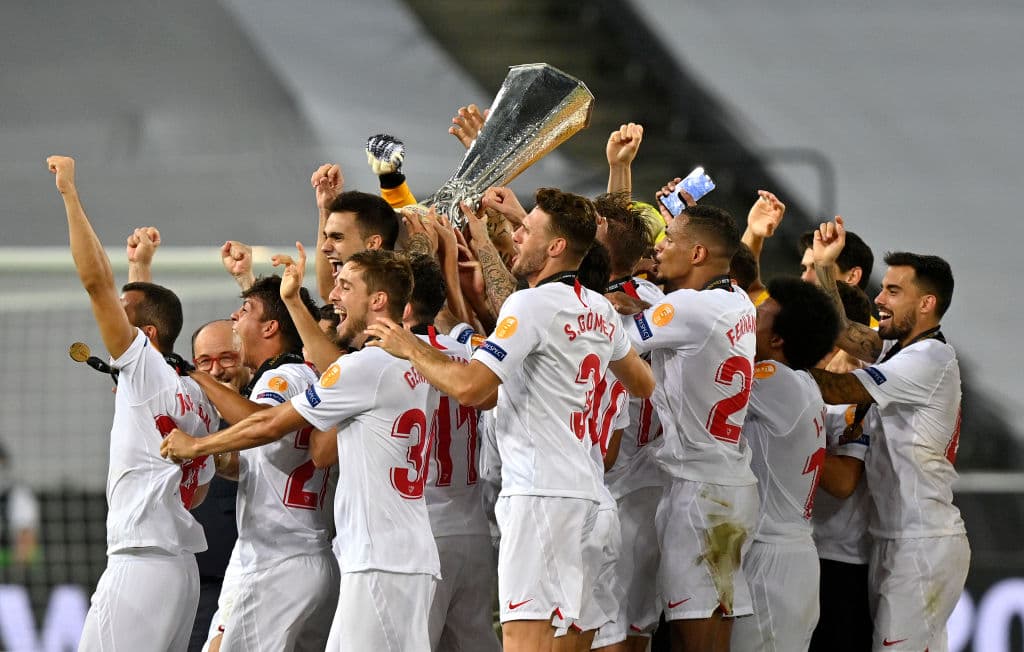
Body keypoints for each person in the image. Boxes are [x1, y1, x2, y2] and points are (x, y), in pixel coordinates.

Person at [366, 190, 655, 652]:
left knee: (524, 642)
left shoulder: (530, 304)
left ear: (556, 247)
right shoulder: (599, 308)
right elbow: (642, 383)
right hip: (593, 500)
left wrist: (411, 347)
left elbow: (471, 389)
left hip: (541, 498)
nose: (517, 236)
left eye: (527, 230)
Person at [161, 250, 440, 652]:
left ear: (378, 300)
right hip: (389, 552)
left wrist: (197, 444)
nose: (334, 296)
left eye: (346, 287)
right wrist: (291, 300)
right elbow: (328, 384)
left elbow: (268, 424)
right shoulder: (410, 364)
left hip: (353, 556)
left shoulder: (348, 370)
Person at [47, 155, 218, 651]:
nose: (111, 325)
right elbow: (196, 495)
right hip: (179, 572)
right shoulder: (197, 396)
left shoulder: (145, 370)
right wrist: (141, 268)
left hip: (140, 565)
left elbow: (95, 283)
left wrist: (69, 193)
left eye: (122, 318)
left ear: (145, 336)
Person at [808, 217, 968, 652]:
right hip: (894, 537)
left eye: (893, 291)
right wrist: (824, 267)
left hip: (922, 541)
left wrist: (775, 370)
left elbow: (839, 388)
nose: (878, 299)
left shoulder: (930, 358)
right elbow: (841, 331)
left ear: (926, 303)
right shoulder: (899, 351)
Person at [616, 204, 758, 652]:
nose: (660, 247)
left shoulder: (687, 307)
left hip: (700, 494)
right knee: (707, 634)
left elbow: (614, 341)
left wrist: (603, 301)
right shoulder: (738, 299)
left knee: (693, 640)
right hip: (727, 484)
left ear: (697, 254)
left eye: (670, 239)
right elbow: (680, 320)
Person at [178, 277, 338, 652]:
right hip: (310, 556)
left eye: (246, 310)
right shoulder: (309, 375)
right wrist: (213, 454)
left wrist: (195, 378)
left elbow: (261, 422)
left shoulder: (280, 378)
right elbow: (260, 460)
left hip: (278, 561)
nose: (235, 316)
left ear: (270, 328)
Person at [730, 277, 840, 651]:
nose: (748, 318)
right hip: (788, 554)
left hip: (773, 560)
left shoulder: (775, 379)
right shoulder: (801, 382)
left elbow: (702, 383)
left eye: (759, 314)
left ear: (777, 340)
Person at [187, 320, 247, 652]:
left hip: (250, 577)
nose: (216, 370)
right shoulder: (184, 410)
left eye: (227, 358)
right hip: (199, 584)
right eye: (204, 361)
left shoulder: (266, 408)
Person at [310, 163, 400, 301]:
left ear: (373, 244)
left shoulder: (402, 307)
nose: (325, 247)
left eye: (337, 237)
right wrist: (325, 209)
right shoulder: (353, 302)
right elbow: (328, 292)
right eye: (326, 237)